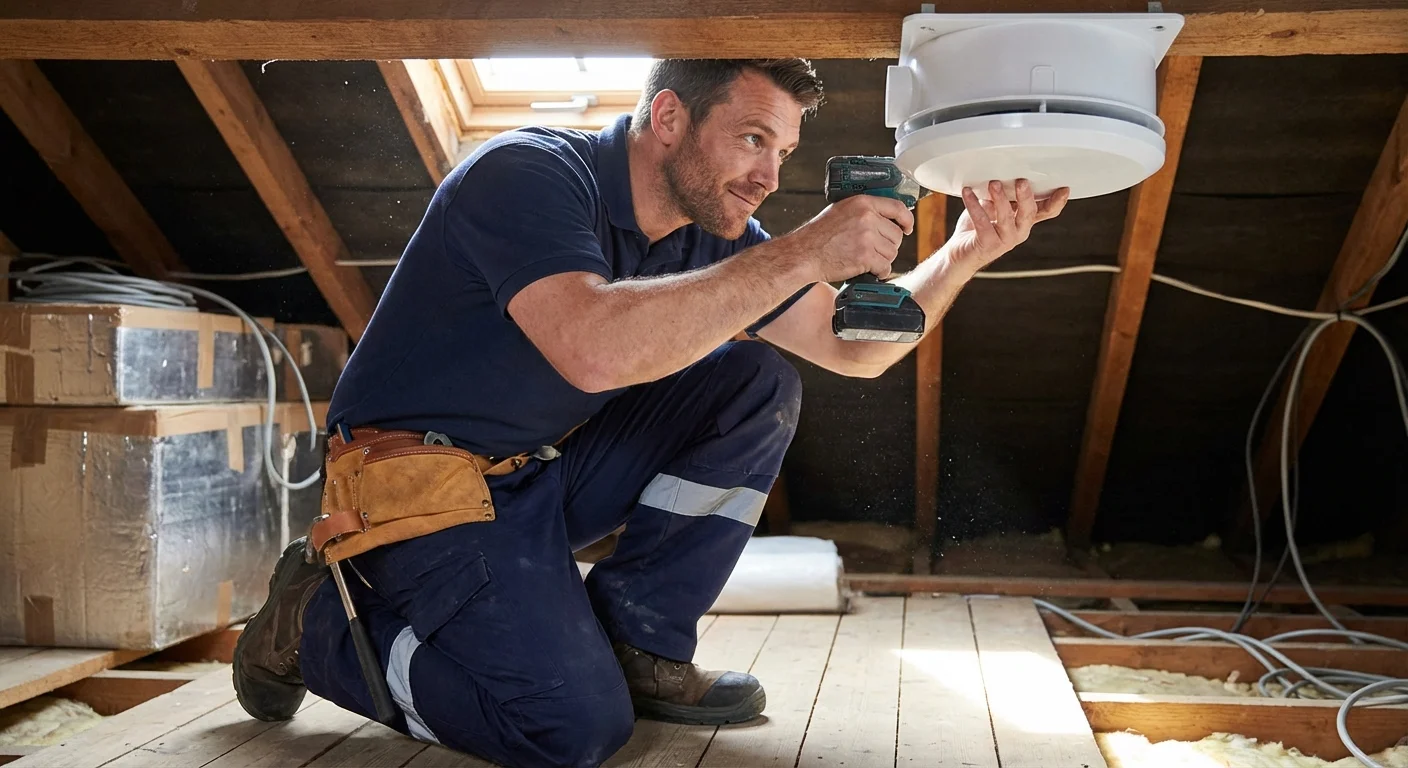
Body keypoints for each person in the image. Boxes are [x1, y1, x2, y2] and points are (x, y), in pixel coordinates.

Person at [231, 58, 1068, 767]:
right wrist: (804, 250)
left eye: (782, 151)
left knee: (754, 384)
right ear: (668, 117)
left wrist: (968, 250)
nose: (770, 176)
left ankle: (641, 646)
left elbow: (855, 349)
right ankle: (315, 629)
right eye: (752, 139)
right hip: (410, 494)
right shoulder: (525, 175)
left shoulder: (710, 230)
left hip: (529, 477)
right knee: (569, 730)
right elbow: (593, 348)